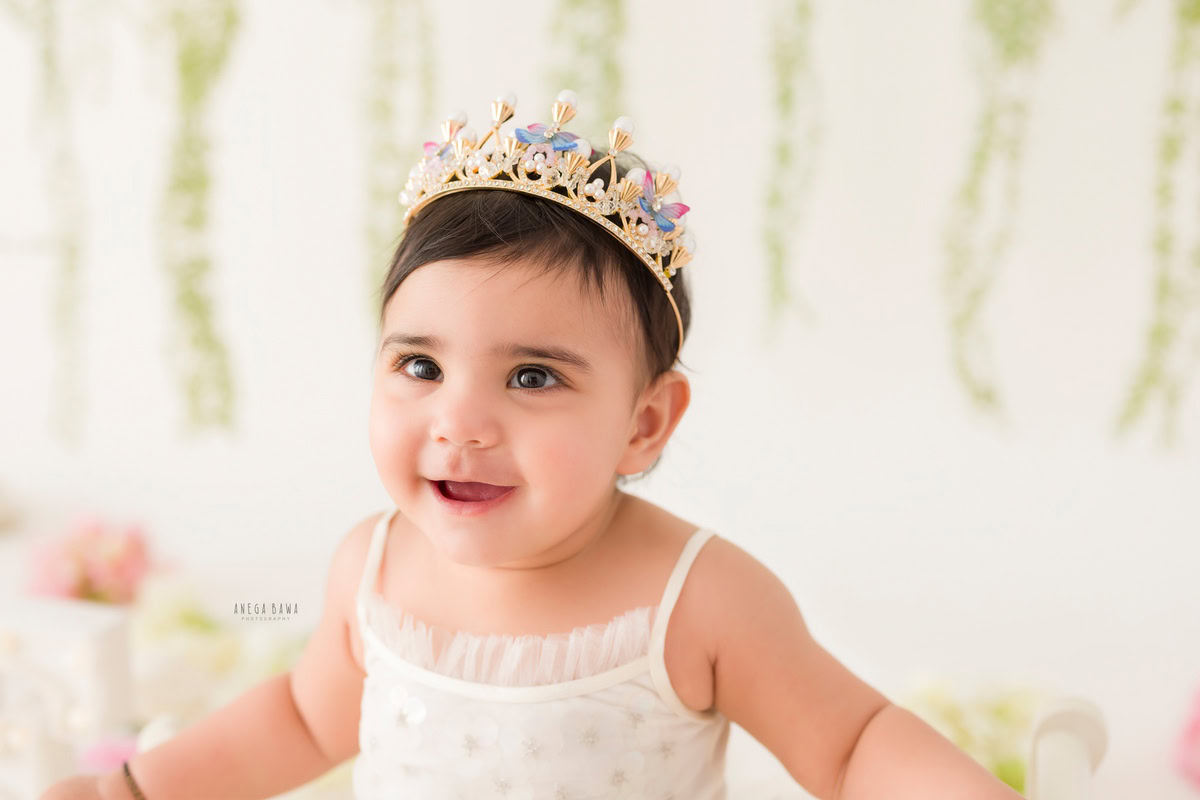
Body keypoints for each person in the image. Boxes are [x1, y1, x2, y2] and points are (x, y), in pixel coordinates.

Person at [43, 90, 1024, 800]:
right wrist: (136, 787)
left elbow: (850, 745)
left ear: (644, 422)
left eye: (532, 377)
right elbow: (305, 718)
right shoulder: (374, 567)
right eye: (421, 365)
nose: (459, 422)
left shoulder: (698, 598)